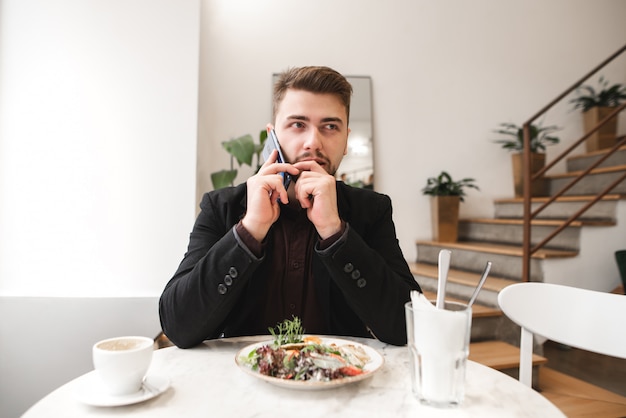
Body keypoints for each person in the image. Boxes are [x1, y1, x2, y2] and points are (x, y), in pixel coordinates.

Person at [159, 66, 421, 348]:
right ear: (272, 136)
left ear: (346, 140)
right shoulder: (220, 206)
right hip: (241, 383)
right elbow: (178, 326)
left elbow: (409, 328)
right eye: (297, 124)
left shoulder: (371, 210)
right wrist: (250, 230)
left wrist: (335, 232)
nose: (313, 142)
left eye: (330, 127)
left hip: (339, 381)